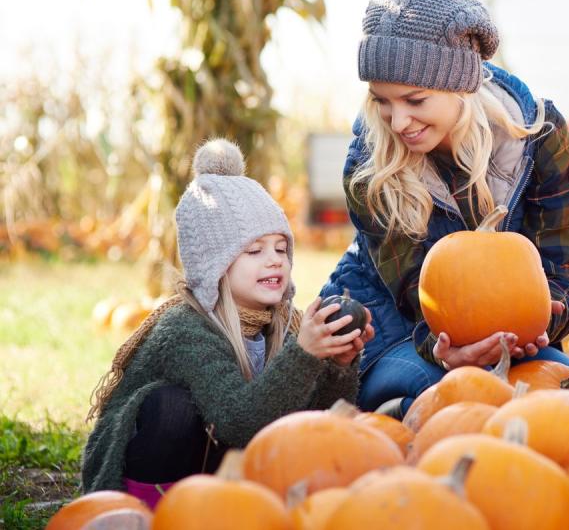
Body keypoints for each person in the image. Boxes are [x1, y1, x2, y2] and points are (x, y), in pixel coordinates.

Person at [321, 0, 569, 417]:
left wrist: (541, 324)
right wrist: (447, 353)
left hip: (505, 333)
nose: (398, 122)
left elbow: (558, 266)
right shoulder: (370, 164)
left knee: (564, 391)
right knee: (442, 396)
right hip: (395, 325)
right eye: (382, 101)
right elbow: (412, 295)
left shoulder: (541, 137)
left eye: (415, 99)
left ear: (461, 86)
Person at [81, 139, 372, 507]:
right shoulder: (185, 329)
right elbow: (239, 421)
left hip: (217, 468)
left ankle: (218, 507)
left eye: (281, 248)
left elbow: (313, 423)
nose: (274, 261)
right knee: (172, 405)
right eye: (254, 250)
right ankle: (147, 511)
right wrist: (302, 355)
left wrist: (337, 365)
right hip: (145, 467)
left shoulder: (284, 324)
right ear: (213, 265)